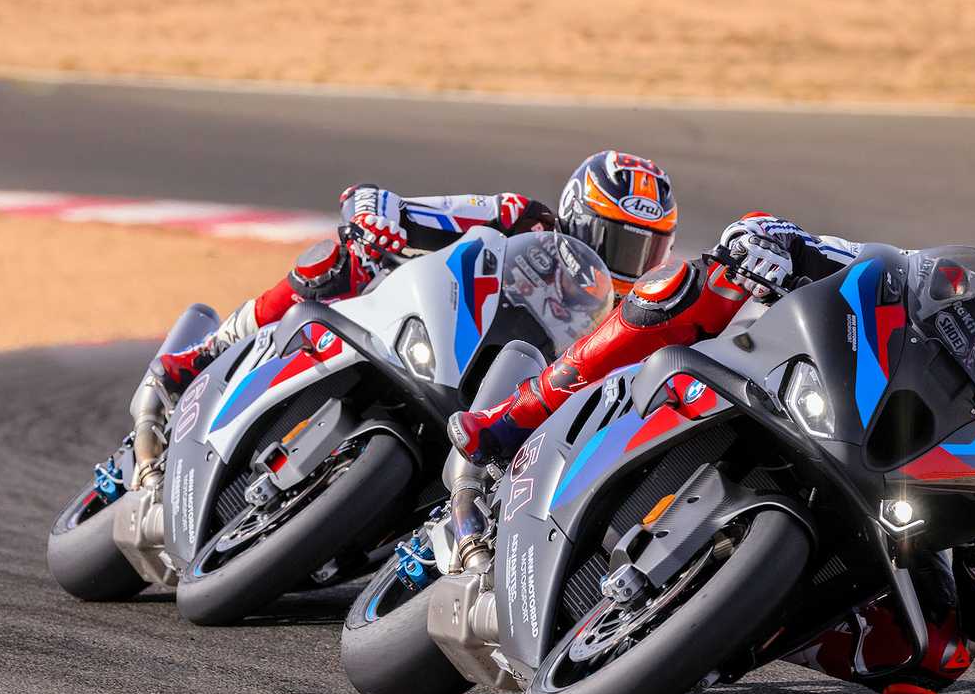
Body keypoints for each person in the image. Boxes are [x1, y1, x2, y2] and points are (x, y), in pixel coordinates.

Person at [450, 218, 975, 694]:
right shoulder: (953, 297)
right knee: (697, 284)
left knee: (938, 658)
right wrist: (773, 241)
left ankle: (716, 634)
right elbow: (854, 262)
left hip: (894, 519)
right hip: (800, 397)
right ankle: (514, 419)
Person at [126, 150, 679, 492]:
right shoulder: (519, 216)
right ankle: (201, 355)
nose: (631, 263)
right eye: (621, 241)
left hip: (506, 406)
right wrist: (376, 221)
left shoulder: (629, 313)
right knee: (340, 260)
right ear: (579, 216)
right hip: (427, 333)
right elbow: (385, 201)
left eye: (648, 250)